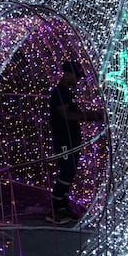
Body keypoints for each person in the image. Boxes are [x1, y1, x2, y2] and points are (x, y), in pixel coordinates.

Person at [48, 59, 103, 224]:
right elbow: (67, 115)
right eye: (76, 76)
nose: (78, 80)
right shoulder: (59, 93)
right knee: (66, 171)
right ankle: (55, 210)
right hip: (63, 140)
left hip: (72, 139)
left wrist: (93, 115)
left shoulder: (67, 93)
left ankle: (63, 207)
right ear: (67, 74)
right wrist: (91, 116)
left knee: (69, 172)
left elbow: (75, 113)